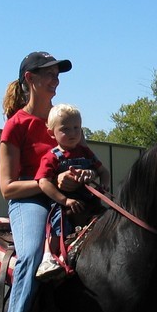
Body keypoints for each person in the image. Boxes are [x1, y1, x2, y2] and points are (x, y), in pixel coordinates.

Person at [0, 51, 74, 312]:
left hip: (65, 199)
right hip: (29, 202)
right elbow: (7, 187)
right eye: (49, 74)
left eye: (58, 74)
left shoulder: (62, 122)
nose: (55, 80)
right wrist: (49, 183)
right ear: (30, 78)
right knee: (30, 255)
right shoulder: (16, 125)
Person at [35, 103, 111, 280]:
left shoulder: (85, 152)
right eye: (65, 129)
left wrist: (104, 186)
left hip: (88, 199)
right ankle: (49, 256)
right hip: (63, 202)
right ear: (51, 133)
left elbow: (104, 172)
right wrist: (63, 200)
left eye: (76, 128)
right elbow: (43, 182)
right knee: (57, 223)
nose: (73, 133)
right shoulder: (52, 156)